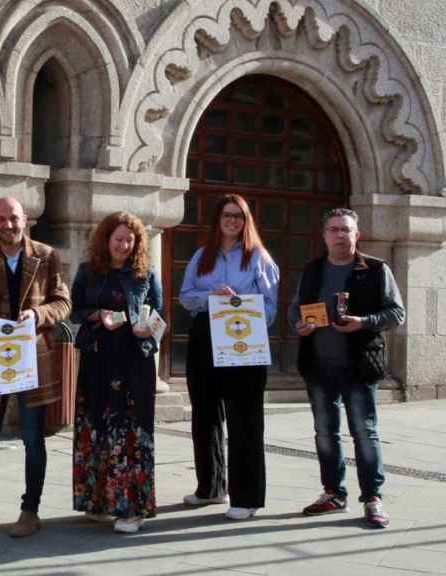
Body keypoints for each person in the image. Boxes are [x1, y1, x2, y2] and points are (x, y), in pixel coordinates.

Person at [289, 208, 403, 528]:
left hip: (359, 365)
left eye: (346, 230)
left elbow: (396, 313)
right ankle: (333, 493)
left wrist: (363, 323)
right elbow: (294, 309)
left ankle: (372, 498)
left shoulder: (376, 269)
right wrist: (298, 324)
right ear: (324, 235)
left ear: (357, 235)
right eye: (334, 229)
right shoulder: (313, 269)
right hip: (318, 366)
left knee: (364, 433)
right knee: (325, 433)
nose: (340, 235)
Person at [0, 197, 71, 539]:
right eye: (1, 219)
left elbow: (63, 302)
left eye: (13, 218)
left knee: (32, 440)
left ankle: (30, 511)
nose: (7, 225)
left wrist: (37, 316)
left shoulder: (47, 255)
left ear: (25, 219)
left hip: (34, 360)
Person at [178, 194, 279, 520]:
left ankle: (247, 498)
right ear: (217, 220)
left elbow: (270, 307)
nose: (232, 221)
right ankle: (210, 488)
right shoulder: (200, 256)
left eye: (238, 216)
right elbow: (185, 296)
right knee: (204, 417)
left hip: (244, 342)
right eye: (226, 215)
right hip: (204, 339)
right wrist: (211, 297)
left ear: (246, 220)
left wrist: (239, 305)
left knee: (244, 421)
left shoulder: (259, 258)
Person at [70, 212, 163, 534]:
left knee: (130, 431)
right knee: (96, 426)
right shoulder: (87, 271)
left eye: (129, 239)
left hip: (134, 361)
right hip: (98, 358)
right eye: (118, 239)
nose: (124, 245)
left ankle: (132, 509)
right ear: (105, 240)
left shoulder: (146, 273)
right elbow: (75, 309)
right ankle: (99, 502)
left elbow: (159, 314)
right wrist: (97, 314)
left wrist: (146, 329)